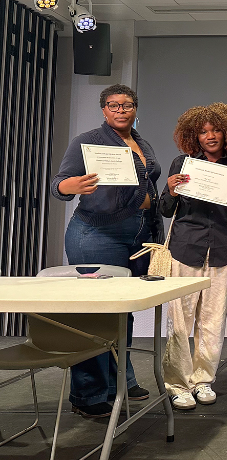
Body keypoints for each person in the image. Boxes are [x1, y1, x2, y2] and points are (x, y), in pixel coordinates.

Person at [51, 84, 157, 418]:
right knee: (96, 314)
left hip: (138, 233)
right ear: (104, 110)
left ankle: (120, 381)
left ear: (135, 108)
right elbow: (60, 184)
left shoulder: (141, 142)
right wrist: (69, 186)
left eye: (127, 104)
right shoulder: (86, 141)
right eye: (114, 105)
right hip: (97, 233)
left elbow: (146, 183)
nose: (121, 110)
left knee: (122, 312)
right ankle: (89, 394)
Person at [161, 103, 227, 410]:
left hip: (222, 251)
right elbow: (165, 210)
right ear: (193, 136)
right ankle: (177, 384)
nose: (210, 136)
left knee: (213, 321)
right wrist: (170, 190)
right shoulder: (181, 163)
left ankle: (203, 380)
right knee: (181, 321)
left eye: (216, 130)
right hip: (185, 249)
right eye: (203, 131)